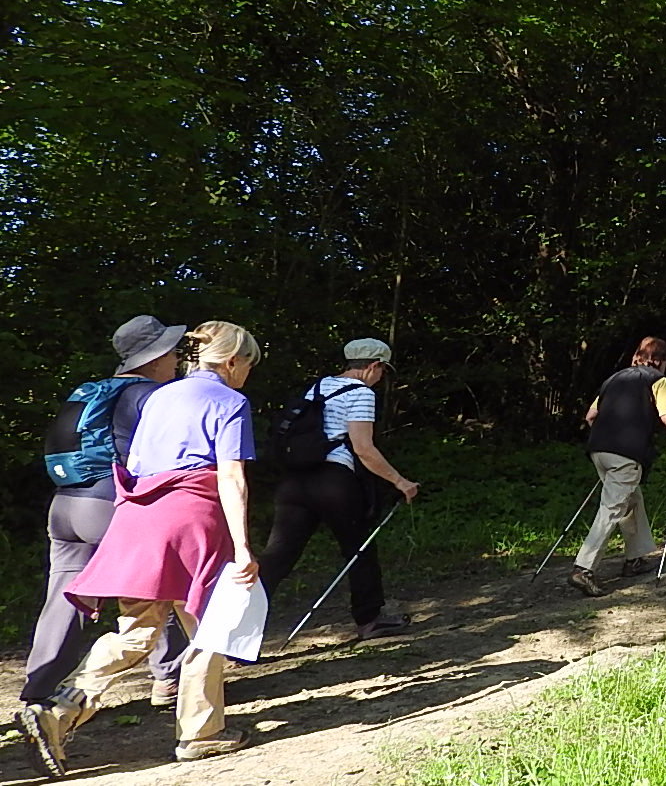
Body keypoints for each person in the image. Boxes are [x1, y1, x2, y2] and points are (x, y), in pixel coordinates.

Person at [18, 322, 263, 775]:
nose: (248, 373)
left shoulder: (161, 394)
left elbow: (132, 462)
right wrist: (244, 546)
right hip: (193, 515)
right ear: (232, 361)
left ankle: (58, 711)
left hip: (139, 513)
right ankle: (201, 734)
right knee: (210, 626)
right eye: (249, 364)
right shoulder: (230, 401)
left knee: (135, 629)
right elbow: (231, 476)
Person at [19, 316, 188, 717]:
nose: (178, 357)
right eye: (172, 349)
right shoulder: (151, 395)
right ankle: (169, 677)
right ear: (155, 356)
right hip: (111, 503)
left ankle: (36, 693)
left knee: (64, 598)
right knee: (156, 584)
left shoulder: (94, 390)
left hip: (65, 506)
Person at [259, 338, 420, 640]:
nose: (380, 378)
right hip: (333, 481)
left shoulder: (318, 388)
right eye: (382, 371)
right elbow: (364, 449)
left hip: (295, 481)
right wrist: (400, 482)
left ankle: (236, 636)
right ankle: (369, 619)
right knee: (360, 548)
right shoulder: (361, 393)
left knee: (276, 558)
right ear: (374, 366)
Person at [568, 337, 666, 597]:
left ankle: (635, 558)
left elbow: (591, 416)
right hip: (626, 454)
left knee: (631, 500)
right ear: (661, 361)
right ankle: (583, 568)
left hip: (598, 450)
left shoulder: (613, 379)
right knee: (612, 508)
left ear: (637, 356)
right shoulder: (658, 380)